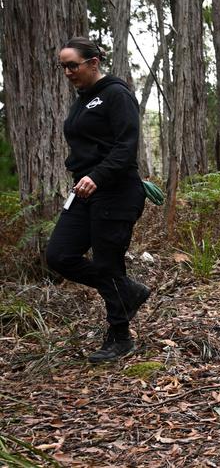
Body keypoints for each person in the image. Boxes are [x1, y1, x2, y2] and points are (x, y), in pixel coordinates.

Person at [46, 37, 149, 363]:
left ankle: (120, 337)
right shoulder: (83, 99)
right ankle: (127, 291)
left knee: (108, 263)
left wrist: (98, 175)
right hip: (84, 191)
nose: (67, 72)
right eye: (63, 66)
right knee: (60, 255)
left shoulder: (116, 95)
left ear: (94, 62)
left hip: (116, 191)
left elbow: (126, 146)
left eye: (72, 65)